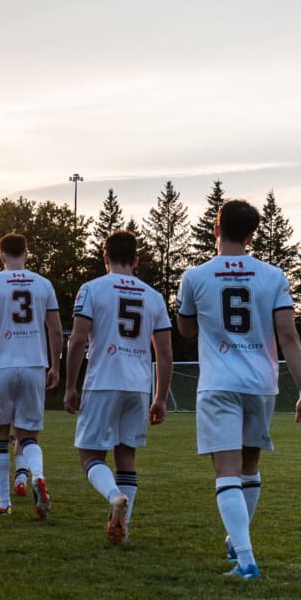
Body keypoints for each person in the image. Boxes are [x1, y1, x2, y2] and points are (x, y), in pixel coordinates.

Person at [177, 199, 301, 579]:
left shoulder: (195, 276)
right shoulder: (273, 276)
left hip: (219, 383)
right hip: (262, 382)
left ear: (215, 229)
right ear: (251, 235)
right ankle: (235, 541)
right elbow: (288, 335)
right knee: (249, 468)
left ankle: (245, 559)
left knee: (225, 472)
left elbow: (186, 329)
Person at [64, 230, 173, 543]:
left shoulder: (92, 289)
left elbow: (79, 339)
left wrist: (70, 385)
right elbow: (164, 352)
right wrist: (160, 397)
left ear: (104, 256)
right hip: (138, 385)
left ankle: (113, 496)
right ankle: (122, 526)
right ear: (136, 261)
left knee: (90, 455)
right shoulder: (153, 296)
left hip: (103, 381)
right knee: (127, 457)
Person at [0, 233, 63, 518]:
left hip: (2, 365)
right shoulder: (44, 284)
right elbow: (57, 330)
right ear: (27, 253)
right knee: (29, 436)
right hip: (35, 364)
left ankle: (4, 502)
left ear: (1, 255)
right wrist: (55, 366)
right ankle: (37, 475)